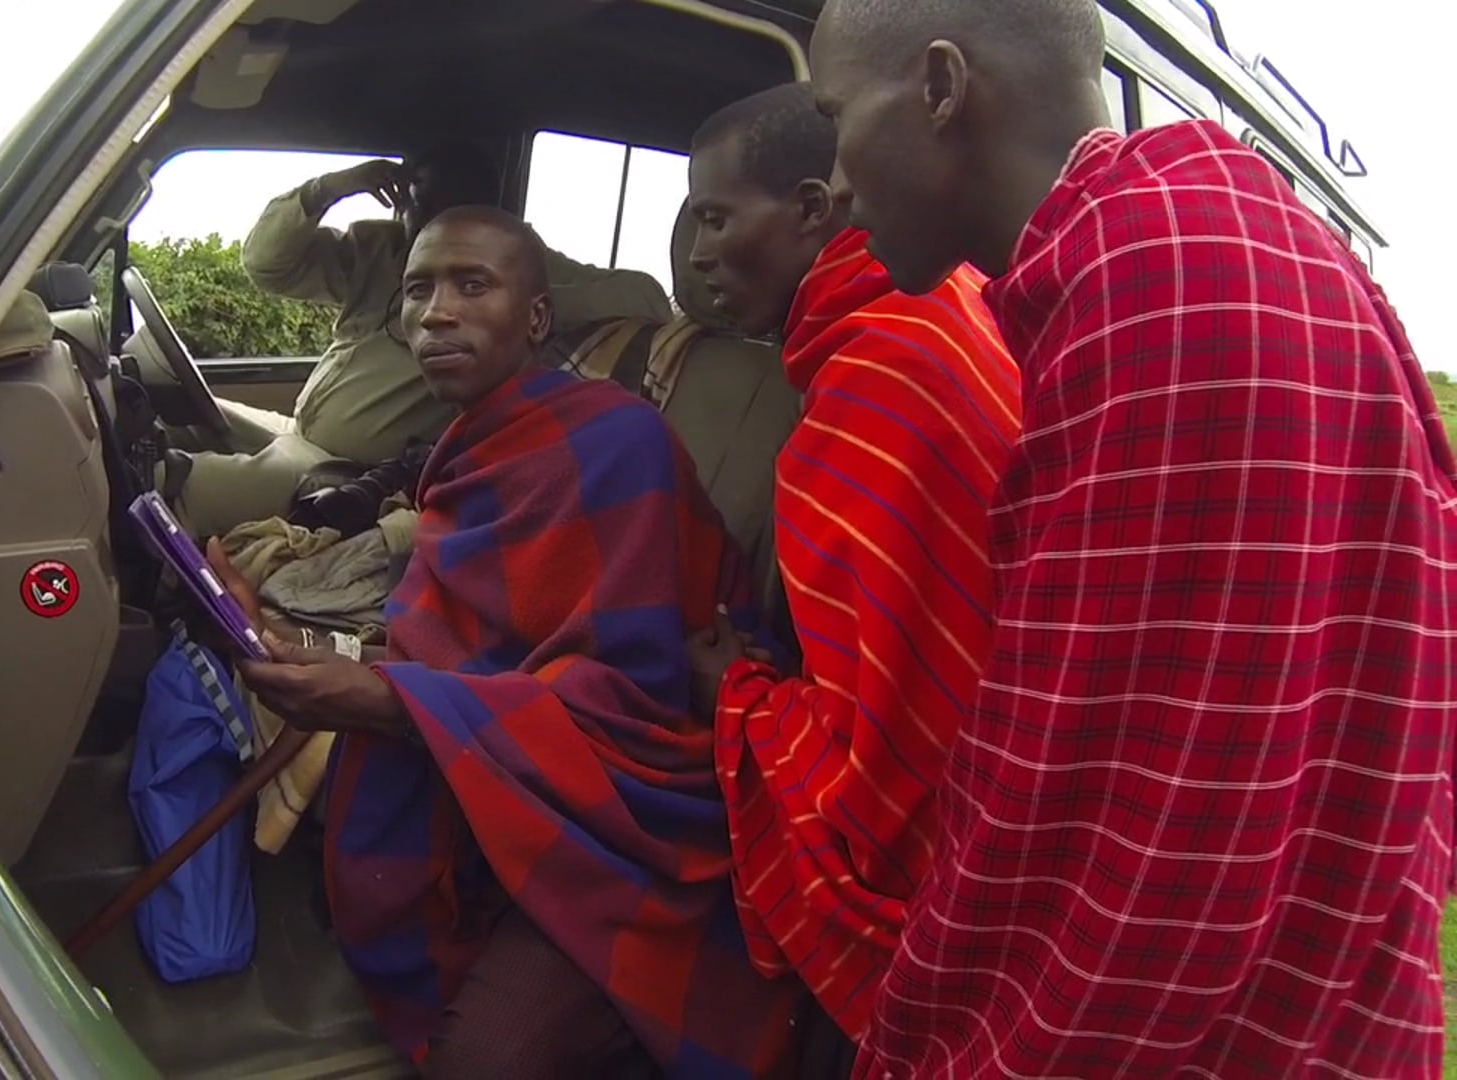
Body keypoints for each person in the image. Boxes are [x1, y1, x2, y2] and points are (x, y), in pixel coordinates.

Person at [807, 1, 1457, 1076]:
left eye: (837, 117)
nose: (832, 177)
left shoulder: (1155, 288)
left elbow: (1116, 835)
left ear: (938, 89)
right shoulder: (1233, 238)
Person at [212, 206, 805, 1077]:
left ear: (535, 319)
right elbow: (460, 652)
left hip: (625, 824)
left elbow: (631, 708)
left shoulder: (615, 445)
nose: (436, 313)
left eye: (472, 285)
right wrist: (323, 658)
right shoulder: (460, 454)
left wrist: (393, 699)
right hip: (506, 766)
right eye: (419, 290)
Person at [678, 84, 1020, 1074]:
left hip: (930, 912)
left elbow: (894, 755)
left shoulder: (884, 373)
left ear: (812, 211)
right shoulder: (919, 321)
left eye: (714, 216)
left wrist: (734, 698)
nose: (696, 255)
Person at [174, 143, 673, 536]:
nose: (436, 312)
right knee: (182, 415)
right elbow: (267, 264)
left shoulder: (515, 262)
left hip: (344, 470)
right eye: (415, 198)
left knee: (176, 480)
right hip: (295, 430)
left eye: (444, 204)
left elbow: (646, 297)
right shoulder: (377, 249)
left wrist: (504, 299)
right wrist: (331, 187)